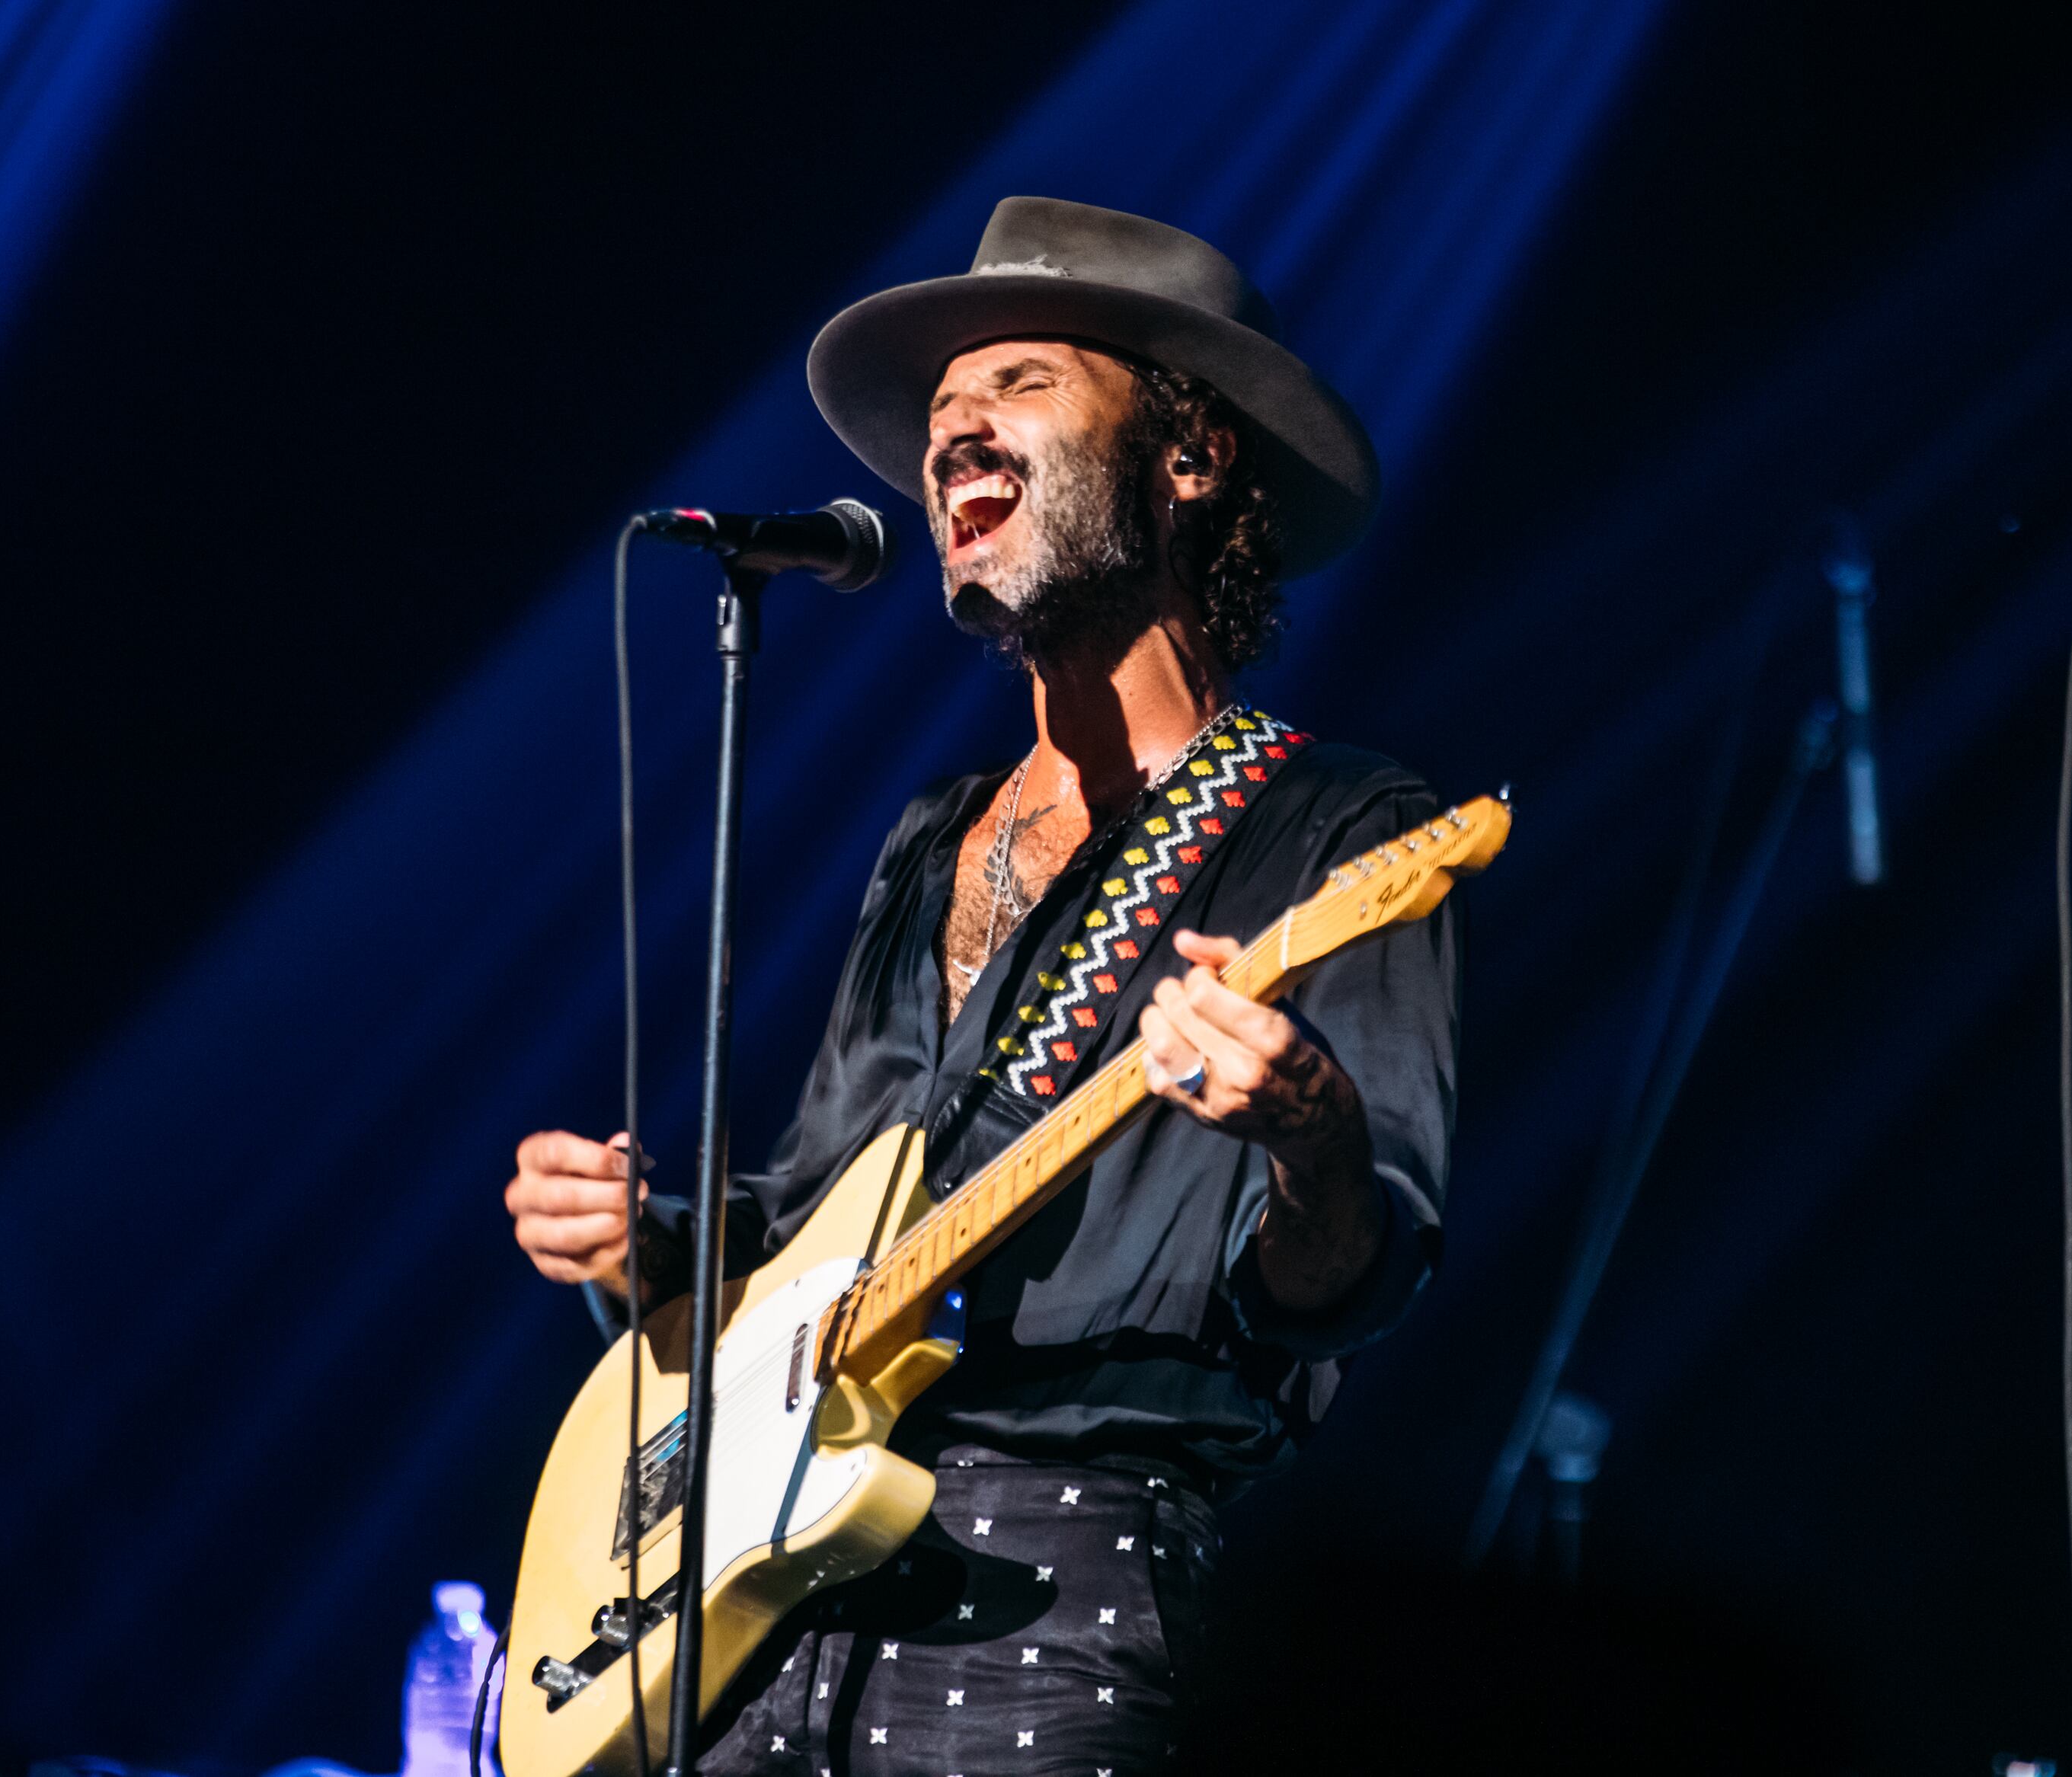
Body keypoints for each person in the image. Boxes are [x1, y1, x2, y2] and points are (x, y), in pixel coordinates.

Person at [504, 197, 1460, 1776]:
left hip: (1058, 1588)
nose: (954, 428)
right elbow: (826, 1213)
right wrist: (648, 1243)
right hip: (767, 1583)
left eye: (1018, 383)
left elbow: (1353, 1277)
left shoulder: (1336, 829)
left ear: (1190, 458)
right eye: (944, 411)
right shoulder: (931, 840)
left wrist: (1306, 1125)